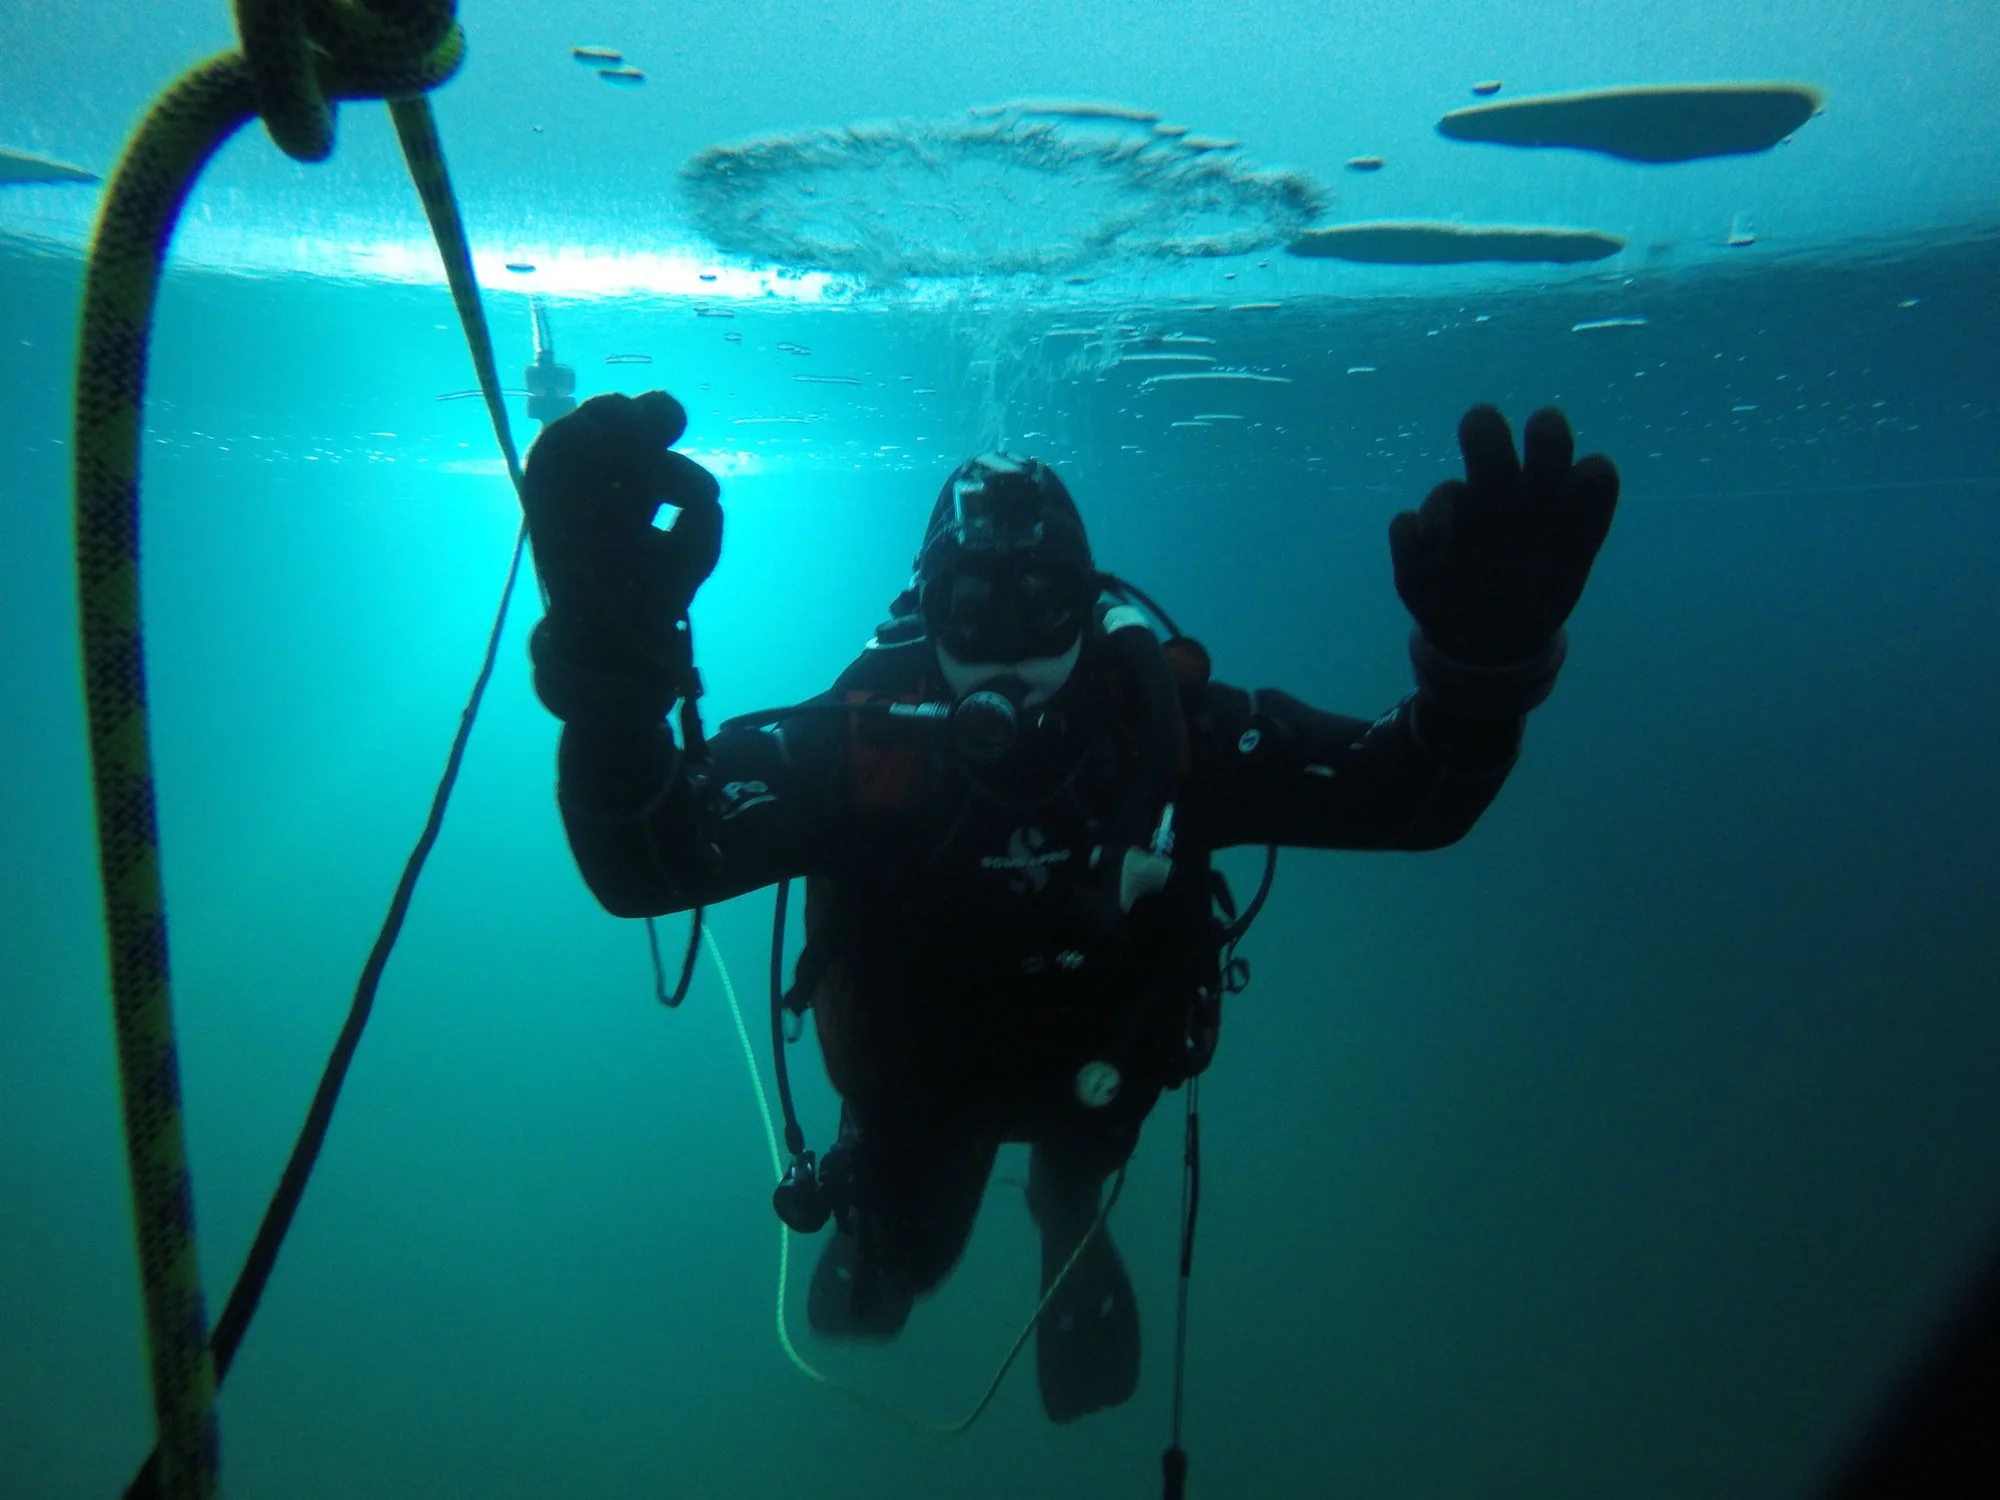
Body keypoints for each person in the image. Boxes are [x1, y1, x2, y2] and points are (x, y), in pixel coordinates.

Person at [520, 390, 1618, 1424]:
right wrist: (613, 669)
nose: (1008, 646)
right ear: (926, 607)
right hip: (913, 1092)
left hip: (1095, 1081)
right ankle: (922, 1219)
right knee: (910, 1251)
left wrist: (1481, 672)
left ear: (1090, 607)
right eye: (971, 606)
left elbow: (1402, 797)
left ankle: (1067, 1221)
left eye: (1043, 605)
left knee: (1074, 1166)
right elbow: (649, 868)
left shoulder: (1163, 735)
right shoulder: (857, 751)